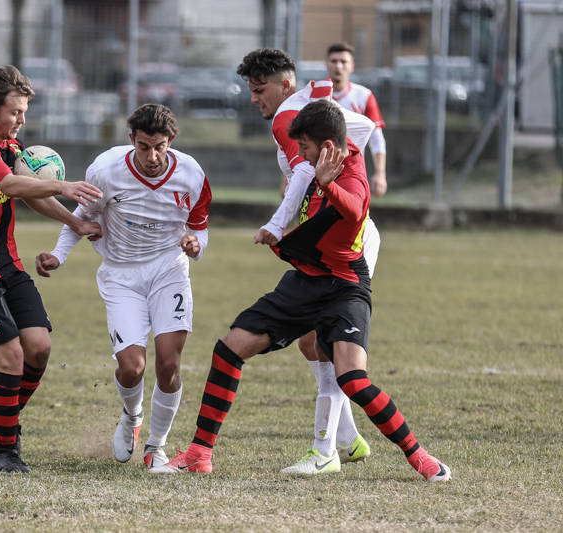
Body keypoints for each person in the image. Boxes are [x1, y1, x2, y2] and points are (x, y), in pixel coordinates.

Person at [151, 99, 451, 483]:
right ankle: (199, 453)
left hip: (345, 287)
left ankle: (419, 456)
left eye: (305, 148)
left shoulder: (350, 173)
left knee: (353, 379)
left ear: (326, 146)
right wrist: (276, 227)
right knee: (229, 350)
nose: (300, 156)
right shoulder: (320, 160)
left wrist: (328, 185)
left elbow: (357, 209)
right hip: (306, 280)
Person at [0, 65, 103, 474]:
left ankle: (6, 424)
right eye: (15, 112)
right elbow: (11, 186)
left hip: (6, 264)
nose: (21, 120)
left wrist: (75, 222)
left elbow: (30, 193)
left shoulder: (11, 148)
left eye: (25, 112)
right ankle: (5, 452)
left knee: (39, 348)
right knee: (11, 355)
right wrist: (65, 186)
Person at [35, 103, 211, 469]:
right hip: (121, 275)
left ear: (171, 140)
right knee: (132, 368)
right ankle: (132, 416)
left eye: (159, 146)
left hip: (168, 271)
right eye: (143, 146)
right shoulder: (105, 171)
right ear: (131, 139)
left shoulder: (192, 174)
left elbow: (198, 225)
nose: (151, 156)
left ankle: (156, 447)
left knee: (168, 364)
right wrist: (58, 255)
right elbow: (81, 219)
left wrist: (196, 245)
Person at [236, 48, 380, 475]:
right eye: (250, 90)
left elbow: (303, 174)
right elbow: (365, 126)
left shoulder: (286, 118)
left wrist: (278, 225)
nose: (253, 99)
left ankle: (324, 453)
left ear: (285, 85)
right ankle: (347, 440)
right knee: (310, 342)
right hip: (341, 230)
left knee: (329, 343)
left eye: (260, 90)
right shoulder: (312, 106)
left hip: (345, 237)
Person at [326, 42, 388, 197]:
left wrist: (380, 174)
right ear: (327, 64)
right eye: (334, 61)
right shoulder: (315, 96)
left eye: (343, 62)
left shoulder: (364, 96)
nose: (338, 66)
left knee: (356, 219)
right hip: (319, 171)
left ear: (351, 66)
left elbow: (376, 138)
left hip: (353, 173)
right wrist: (287, 177)